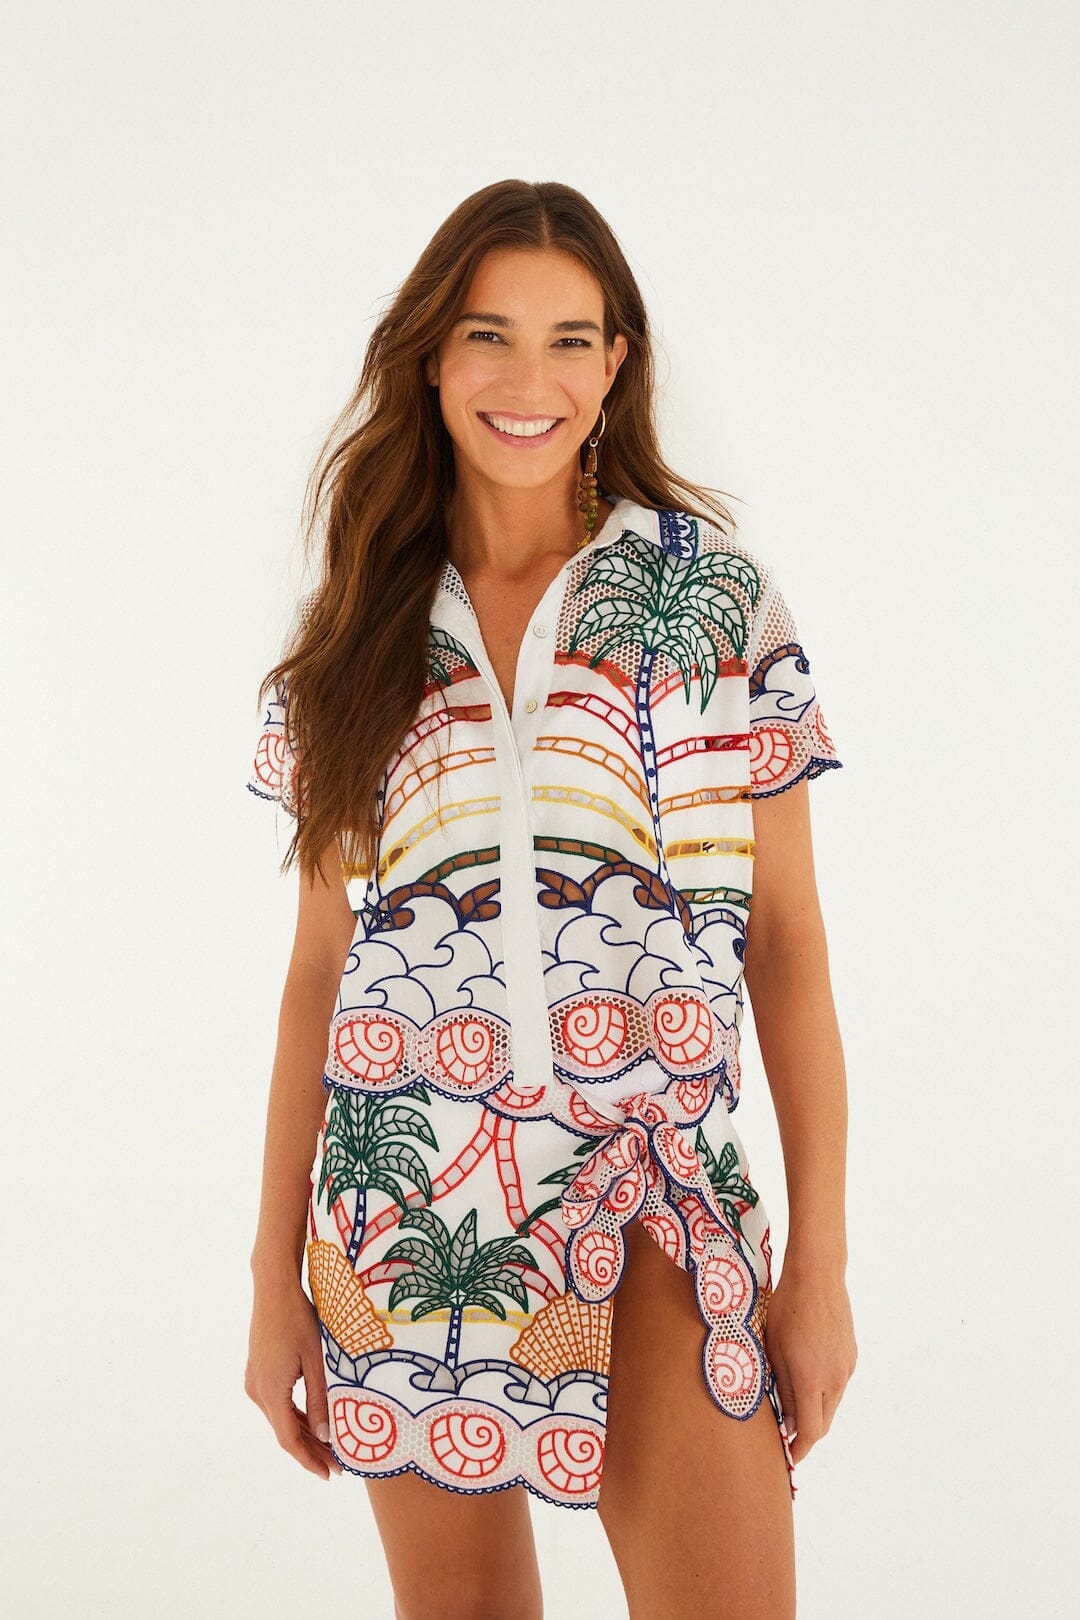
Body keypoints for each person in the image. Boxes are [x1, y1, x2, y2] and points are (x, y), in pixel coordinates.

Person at [243, 178, 856, 1620]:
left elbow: (787, 942)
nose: (531, 382)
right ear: (430, 357)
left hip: (651, 1196)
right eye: (489, 336)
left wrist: (821, 1265)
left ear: (618, 361)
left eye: (571, 340)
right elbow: (320, 973)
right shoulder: (356, 634)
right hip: (403, 1219)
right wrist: (272, 1279)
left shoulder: (709, 605)